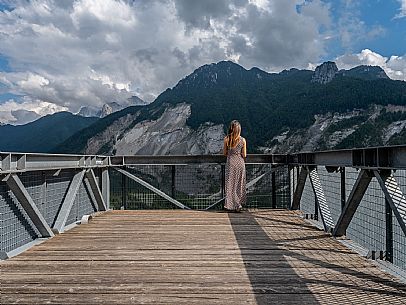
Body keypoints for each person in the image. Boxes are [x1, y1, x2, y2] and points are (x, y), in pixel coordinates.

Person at [223, 120, 247, 212]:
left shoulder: (226, 139)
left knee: (230, 185)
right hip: (240, 164)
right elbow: (244, 155)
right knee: (239, 184)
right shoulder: (243, 140)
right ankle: (238, 205)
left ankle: (230, 206)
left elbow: (225, 153)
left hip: (230, 163)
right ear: (239, 129)